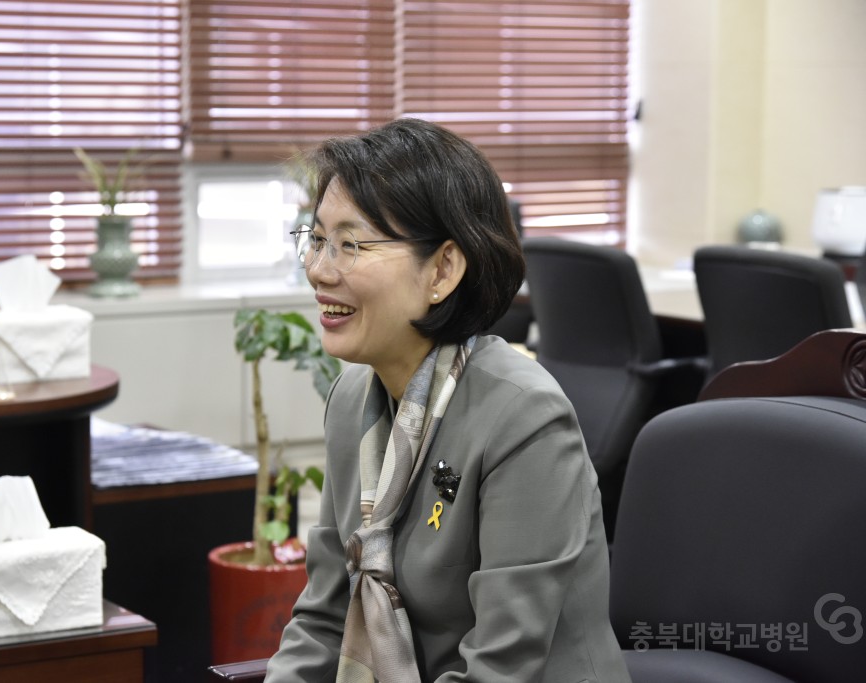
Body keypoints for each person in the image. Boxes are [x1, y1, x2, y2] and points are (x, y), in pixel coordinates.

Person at [265, 118, 631, 683]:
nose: (318, 269)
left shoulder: (523, 417)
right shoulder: (350, 402)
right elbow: (323, 618)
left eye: (350, 244)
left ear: (442, 269)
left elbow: (503, 667)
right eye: (316, 240)